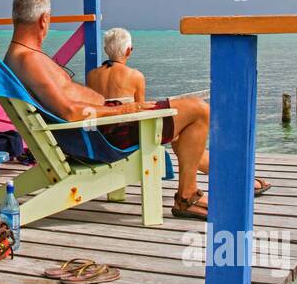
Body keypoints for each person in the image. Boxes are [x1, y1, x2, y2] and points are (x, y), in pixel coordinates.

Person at [4, 0, 214, 220]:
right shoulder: (29, 59)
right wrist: (125, 108)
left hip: (101, 127)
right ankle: (188, 195)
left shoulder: (19, 57)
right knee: (198, 110)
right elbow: (70, 112)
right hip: (105, 135)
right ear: (44, 20)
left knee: (183, 115)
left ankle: (193, 189)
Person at [87, 25, 270, 196]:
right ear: (128, 50)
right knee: (187, 130)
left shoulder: (92, 75)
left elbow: (105, 106)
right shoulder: (135, 76)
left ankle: (232, 179)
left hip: (105, 136)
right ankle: (233, 180)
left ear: (106, 50)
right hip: (125, 137)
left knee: (184, 137)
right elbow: (139, 111)